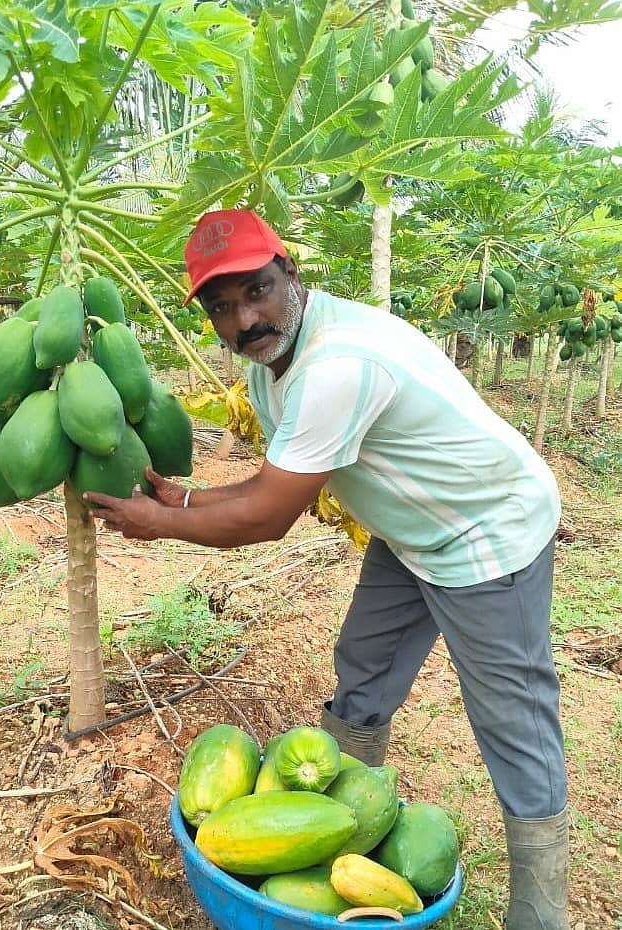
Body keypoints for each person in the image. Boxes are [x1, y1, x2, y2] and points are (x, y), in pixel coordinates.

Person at [85, 209, 569, 930]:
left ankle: (541, 911)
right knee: (365, 665)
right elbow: (270, 482)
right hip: (412, 529)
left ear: (291, 274)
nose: (245, 318)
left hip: (484, 530)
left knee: (510, 716)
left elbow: (267, 518)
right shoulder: (274, 366)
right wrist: (184, 497)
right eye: (222, 307)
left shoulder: (338, 363)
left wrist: (160, 524)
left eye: (258, 290)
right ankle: (334, 824)